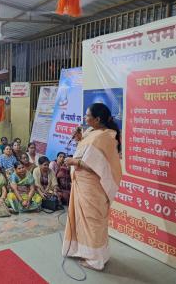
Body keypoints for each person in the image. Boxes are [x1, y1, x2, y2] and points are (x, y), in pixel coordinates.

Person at [62, 103, 122, 271]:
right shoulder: (92, 132)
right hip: (82, 184)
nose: (85, 118)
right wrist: (79, 139)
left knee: (92, 222)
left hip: (92, 187)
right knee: (83, 221)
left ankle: (95, 260)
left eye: (88, 116)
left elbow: (97, 165)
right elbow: (87, 151)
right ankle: (87, 251)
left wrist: (74, 162)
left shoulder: (104, 137)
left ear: (97, 119)